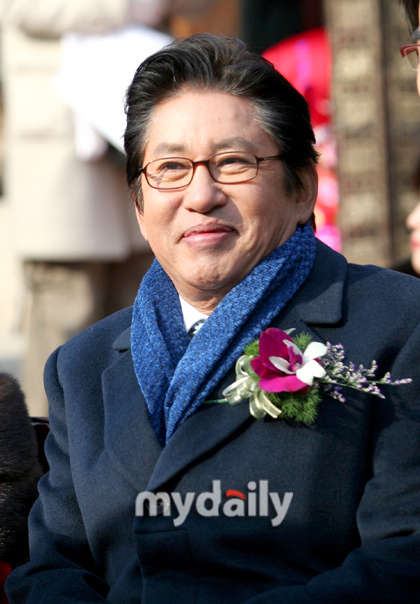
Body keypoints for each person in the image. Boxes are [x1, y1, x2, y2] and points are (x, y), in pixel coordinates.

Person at [6, 34, 420, 603]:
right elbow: (52, 568)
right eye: (170, 168)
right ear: (139, 204)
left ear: (303, 188)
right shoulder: (81, 366)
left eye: (233, 163)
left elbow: (404, 559)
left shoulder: (399, 324)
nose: (201, 195)